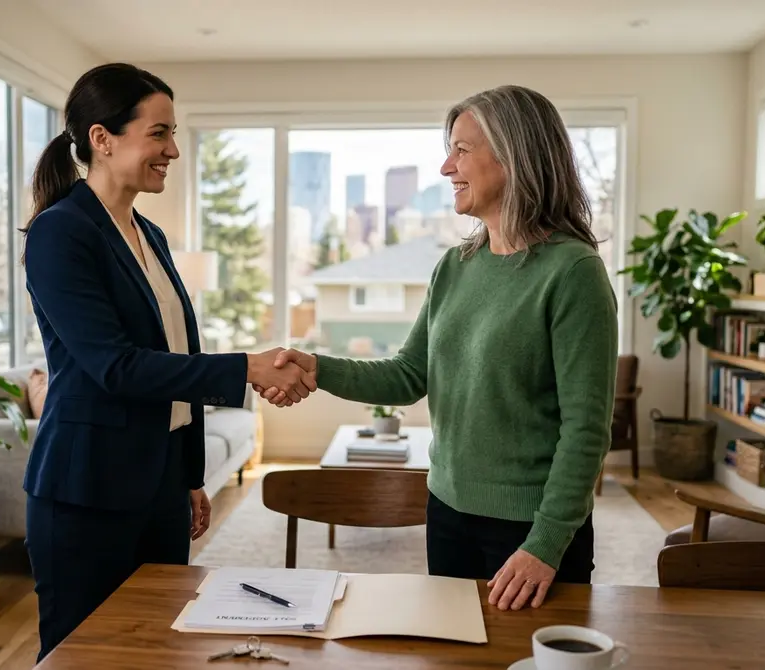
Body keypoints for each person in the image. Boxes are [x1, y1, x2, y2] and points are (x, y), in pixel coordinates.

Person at [260, 85, 617, 612]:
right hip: (447, 508)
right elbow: (407, 374)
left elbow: (586, 429)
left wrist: (545, 544)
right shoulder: (456, 266)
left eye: (461, 149)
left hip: (528, 527)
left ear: (515, 154)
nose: (448, 167)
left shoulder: (573, 272)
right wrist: (317, 366)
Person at [20, 62, 314, 661]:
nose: (173, 150)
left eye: (172, 134)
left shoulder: (148, 234)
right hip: (86, 492)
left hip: (155, 488)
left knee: (156, 647)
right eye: (159, 133)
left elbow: (177, 355)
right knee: (86, 653)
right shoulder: (60, 233)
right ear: (102, 139)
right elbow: (117, 367)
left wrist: (186, 475)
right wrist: (247, 368)